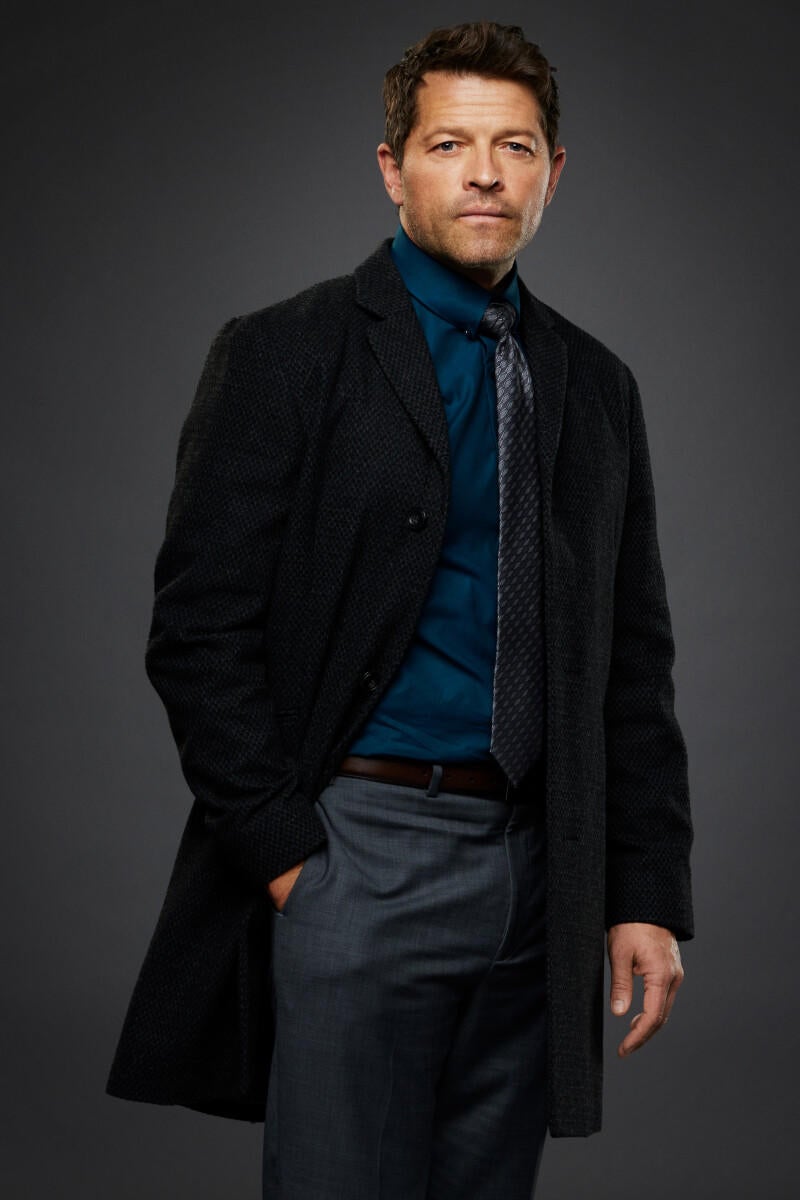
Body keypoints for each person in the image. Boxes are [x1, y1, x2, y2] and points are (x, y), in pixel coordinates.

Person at [107, 20, 694, 1200]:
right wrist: (290, 861)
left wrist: (640, 895)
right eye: (447, 144)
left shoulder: (594, 385)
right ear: (392, 168)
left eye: (513, 147)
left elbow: (629, 663)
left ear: (552, 172)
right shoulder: (285, 353)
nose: (484, 173)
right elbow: (197, 631)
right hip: (358, 852)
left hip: (539, 871)